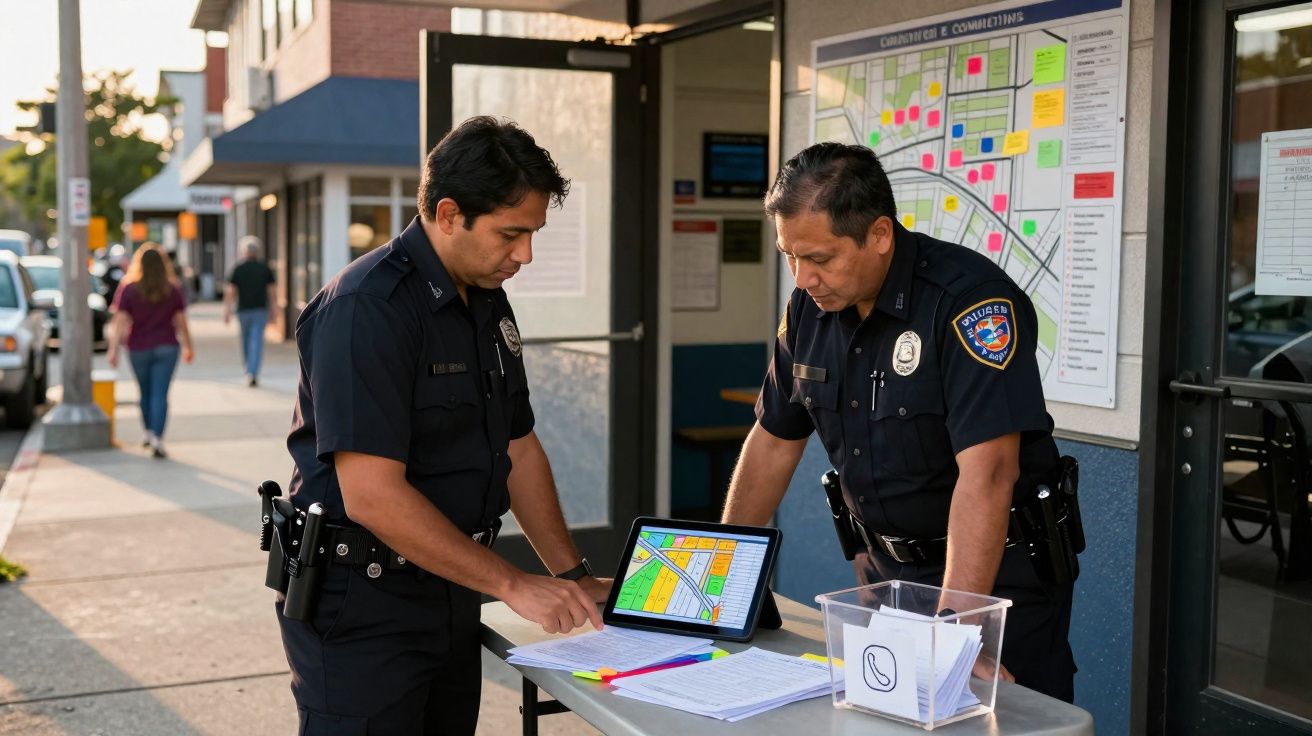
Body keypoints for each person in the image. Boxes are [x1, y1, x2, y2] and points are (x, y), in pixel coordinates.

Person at [280, 116, 612, 734]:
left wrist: (570, 577)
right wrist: (515, 584)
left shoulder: (483, 293)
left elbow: (517, 446)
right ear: (449, 213)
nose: (525, 255)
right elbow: (373, 495)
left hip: (450, 586)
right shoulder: (367, 309)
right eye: (511, 234)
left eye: (533, 234)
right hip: (363, 604)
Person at [721, 142, 1077, 701]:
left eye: (819, 258)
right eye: (791, 256)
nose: (803, 277)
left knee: (996, 717)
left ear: (880, 235)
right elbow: (773, 439)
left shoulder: (968, 304)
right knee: (888, 714)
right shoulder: (808, 311)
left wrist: (960, 631)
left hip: (995, 580)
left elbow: (988, 473)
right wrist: (728, 574)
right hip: (884, 571)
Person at [107, 243, 194, 459]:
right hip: (167, 347)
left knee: (144, 392)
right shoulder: (172, 289)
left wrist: (113, 349)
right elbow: (181, 321)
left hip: (138, 348)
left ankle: (147, 432)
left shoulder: (129, 288)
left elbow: (120, 321)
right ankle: (157, 437)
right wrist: (189, 346)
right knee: (160, 394)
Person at [223, 236, 276, 386]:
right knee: (256, 341)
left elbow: (231, 292)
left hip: (243, 311)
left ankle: (249, 370)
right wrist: (274, 310)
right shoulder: (265, 269)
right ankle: (253, 371)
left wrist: (227, 311)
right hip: (260, 310)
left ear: (243, 252)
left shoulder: (238, 269)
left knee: (246, 341)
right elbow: (272, 292)